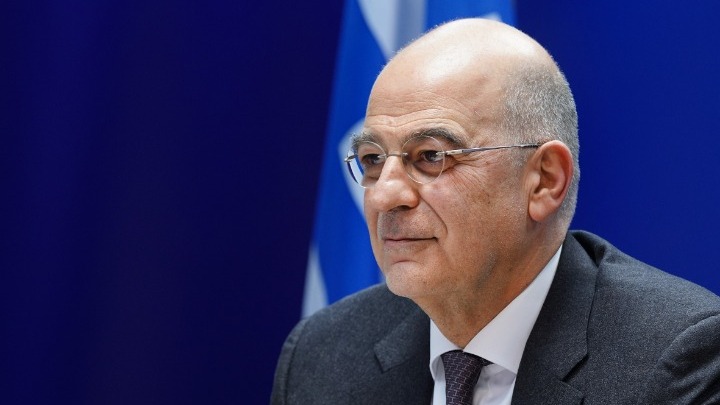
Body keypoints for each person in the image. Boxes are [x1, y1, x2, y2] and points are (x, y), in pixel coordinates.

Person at [271, 18, 720, 404]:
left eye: (430, 156)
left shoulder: (676, 358)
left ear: (544, 180)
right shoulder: (322, 356)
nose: (384, 195)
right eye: (372, 159)